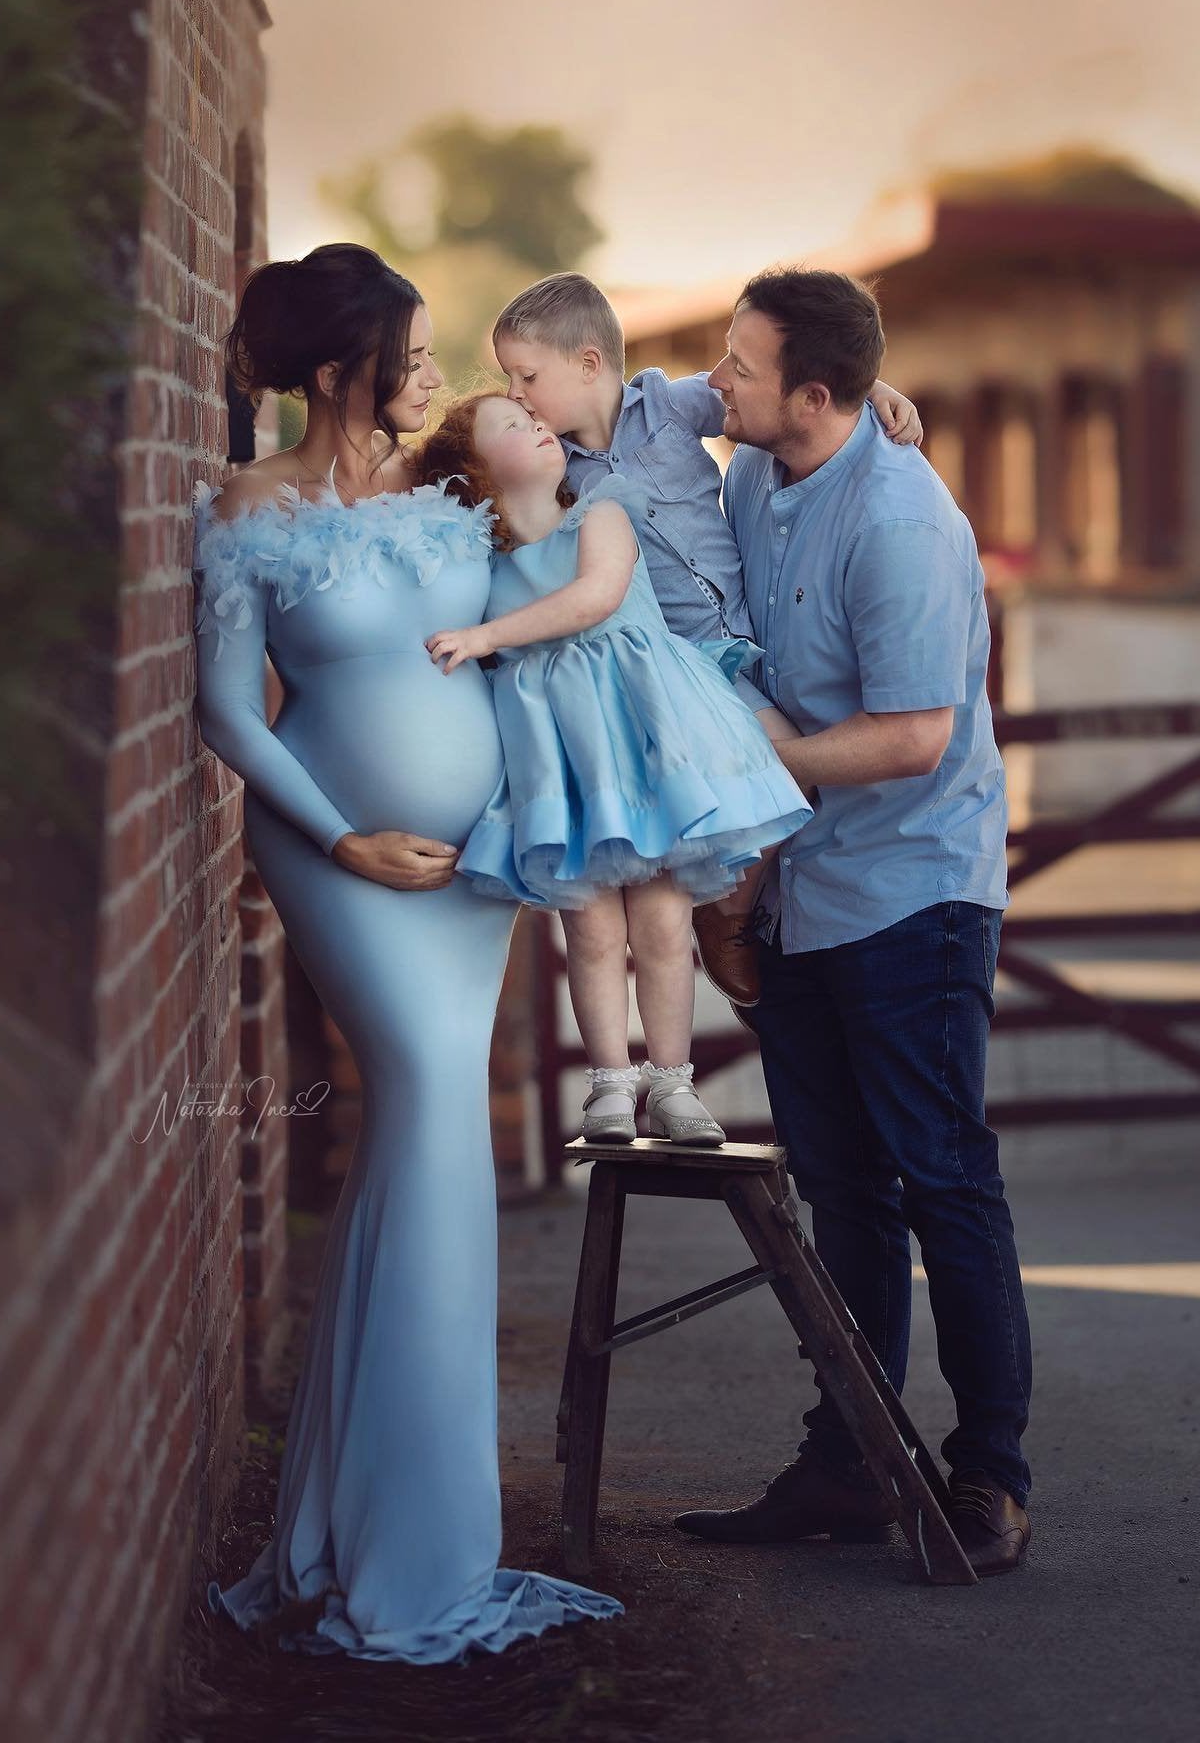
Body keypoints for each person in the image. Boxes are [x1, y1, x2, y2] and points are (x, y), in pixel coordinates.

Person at [192, 242, 624, 1660]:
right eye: (411, 347)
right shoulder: (246, 509)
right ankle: (418, 1557)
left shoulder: (451, 480)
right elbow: (230, 720)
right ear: (337, 369)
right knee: (435, 1122)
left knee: (416, 1163)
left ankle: (347, 1522)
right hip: (345, 868)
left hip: (476, 868)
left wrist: (882, 413)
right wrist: (341, 842)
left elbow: (615, 417)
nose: (433, 370)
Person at [670, 267, 1033, 1577]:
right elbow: (628, 403)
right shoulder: (754, 475)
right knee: (842, 1195)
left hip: (915, 890)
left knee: (943, 1183)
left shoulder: (900, 521)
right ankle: (853, 1463)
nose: (722, 378)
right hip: (809, 889)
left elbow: (914, 738)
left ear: (813, 395)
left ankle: (990, 1479)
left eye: (745, 365)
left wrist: (745, 752)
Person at [489, 272, 924, 1006]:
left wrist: (875, 391)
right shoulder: (551, 470)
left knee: (785, 774)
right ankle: (718, 912)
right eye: (509, 378)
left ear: (591, 364)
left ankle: (725, 900)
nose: (517, 393)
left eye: (527, 375)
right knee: (758, 765)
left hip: (736, 644)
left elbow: (788, 390)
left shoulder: (667, 403)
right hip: (669, 660)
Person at [414, 394, 813, 1145]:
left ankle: (671, 1082)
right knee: (590, 929)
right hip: (567, 760)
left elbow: (594, 600)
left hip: (643, 744)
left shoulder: (601, 515)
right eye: (511, 423)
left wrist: (486, 635)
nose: (538, 422)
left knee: (663, 922)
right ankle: (608, 1083)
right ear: (475, 469)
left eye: (534, 413)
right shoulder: (481, 566)